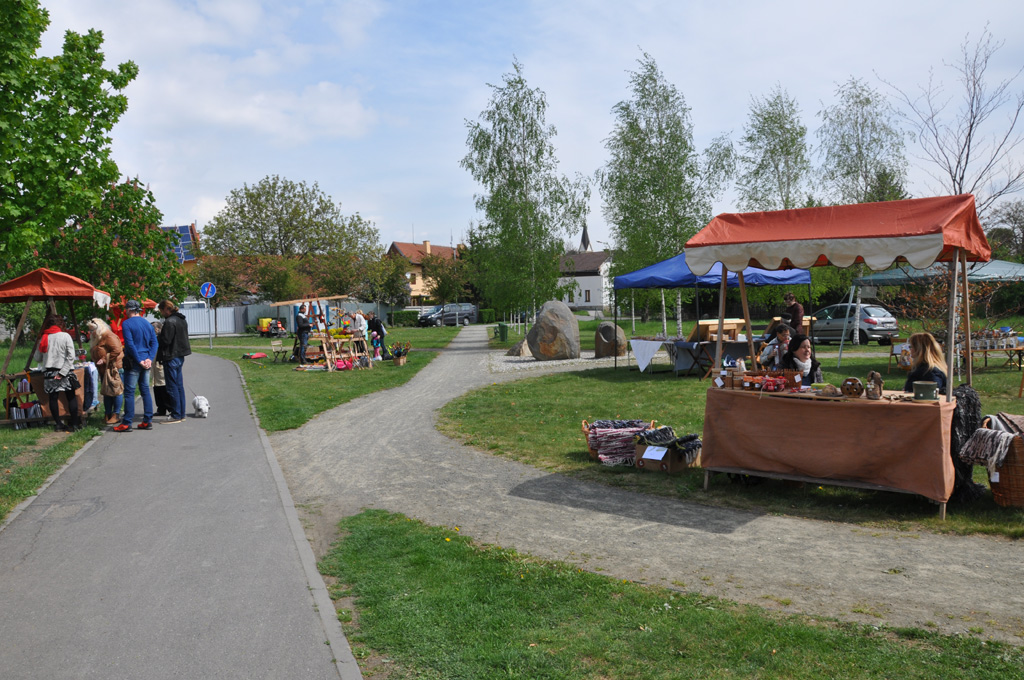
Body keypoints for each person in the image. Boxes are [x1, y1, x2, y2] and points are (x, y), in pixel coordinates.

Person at [115, 299, 158, 432]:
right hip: (146, 360)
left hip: (134, 361)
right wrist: (149, 359)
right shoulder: (147, 323)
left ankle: (127, 422)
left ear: (129, 310)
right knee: (145, 390)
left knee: (129, 392)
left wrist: (139, 360)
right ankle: (147, 420)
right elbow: (154, 343)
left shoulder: (127, 323)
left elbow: (130, 344)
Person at [35, 314, 81, 432]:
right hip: (65, 371)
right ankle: (75, 424)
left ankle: (58, 424)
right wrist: (63, 372)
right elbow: (71, 356)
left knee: (53, 398)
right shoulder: (65, 336)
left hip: (49, 373)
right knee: (71, 397)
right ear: (60, 324)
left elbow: (37, 358)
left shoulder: (44, 338)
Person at [157, 299, 191, 424]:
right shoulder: (181, 319)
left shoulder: (169, 322)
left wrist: (158, 336)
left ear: (166, 309)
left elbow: (166, 341)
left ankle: (176, 414)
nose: (161, 313)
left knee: (172, 387)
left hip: (171, 356)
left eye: (161, 311)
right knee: (179, 386)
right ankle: (181, 413)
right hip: (180, 355)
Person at [86, 317, 124, 425]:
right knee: (106, 392)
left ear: (98, 329)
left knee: (116, 391)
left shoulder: (109, 336)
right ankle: (107, 414)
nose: (91, 333)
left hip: (114, 369)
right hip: (104, 369)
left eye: (92, 330)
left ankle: (116, 414)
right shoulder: (99, 337)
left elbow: (117, 350)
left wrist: (104, 360)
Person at [151, 320, 169, 417]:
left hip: (160, 364)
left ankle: (168, 407)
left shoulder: (161, 339)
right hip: (154, 365)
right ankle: (161, 408)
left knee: (163, 385)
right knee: (156, 386)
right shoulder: (154, 338)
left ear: (157, 329)